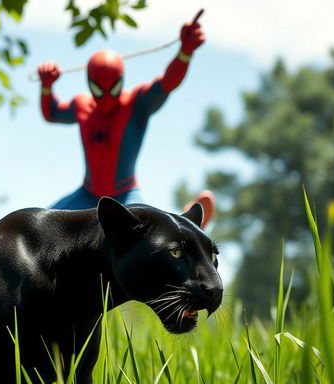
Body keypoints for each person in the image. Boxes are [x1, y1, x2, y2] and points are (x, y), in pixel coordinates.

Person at [38, 9, 215, 228]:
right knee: (39, 228)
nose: (105, 97)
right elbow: (52, 113)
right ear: (89, 84)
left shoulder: (135, 103)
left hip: (125, 196)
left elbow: (167, 82)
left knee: (150, 233)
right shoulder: (82, 106)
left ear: (121, 82)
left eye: (112, 89)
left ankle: (188, 224)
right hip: (86, 194)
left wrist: (185, 53)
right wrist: (46, 87)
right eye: (98, 90)